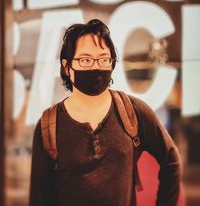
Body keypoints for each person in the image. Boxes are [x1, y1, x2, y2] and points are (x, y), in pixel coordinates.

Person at [29, 19, 182, 206]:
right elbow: (40, 197)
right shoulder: (49, 125)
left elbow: (171, 160)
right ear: (67, 67)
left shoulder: (133, 111)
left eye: (103, 59)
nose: (96, 67)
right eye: (85, 60)